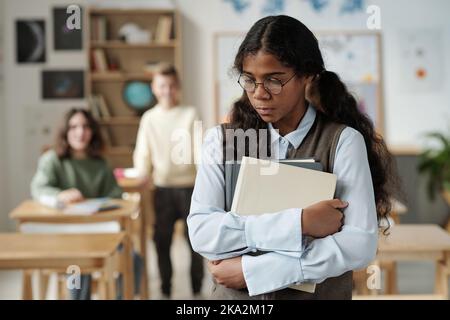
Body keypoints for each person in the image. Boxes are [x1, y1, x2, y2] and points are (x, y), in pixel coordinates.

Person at [187, 15, 398, 299]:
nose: (260, 94)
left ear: (307, 75)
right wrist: (299, 223)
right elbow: (203, 232)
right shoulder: (221, 141)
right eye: (250, 80)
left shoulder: (344, 142)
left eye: (274, 81)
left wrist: (254, 270)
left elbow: (359, 244)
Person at [30, 108, 142, 300]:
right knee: (78, 267)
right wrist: (60, 196)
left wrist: (108, 203)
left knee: (134, 260)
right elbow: (38, 189)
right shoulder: (52, 159)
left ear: (92, 131)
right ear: (66, 131)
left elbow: (115, 194)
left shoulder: (101, 163)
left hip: (99, 234)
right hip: (65, 238)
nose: (80, 132)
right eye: (74, 127)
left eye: (85, 126)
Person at [133, 63, 204, 299]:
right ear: (154, 88)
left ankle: (196, 290)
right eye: (162, 86)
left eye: (172, 86)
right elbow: (142, 153)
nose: (167, 90)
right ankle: (165, 290)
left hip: (190, 187)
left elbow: (200, 149)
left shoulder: (190, 113)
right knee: (161, 241)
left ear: (178, 87)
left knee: (195, 242)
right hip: (162, 188)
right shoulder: (149, 118)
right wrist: (142, 173)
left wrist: (207, 177)